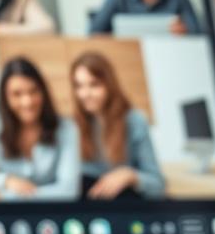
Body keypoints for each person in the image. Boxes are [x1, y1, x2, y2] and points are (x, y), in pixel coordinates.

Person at [0, 56, 79, 200]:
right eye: (17, 94)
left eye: (33, 91)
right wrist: (6, 180)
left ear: (43, 92)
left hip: (51, 215)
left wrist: (3, 196)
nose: (27, 102)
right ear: (5, 98)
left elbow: (68, 191)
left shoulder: (66, 128)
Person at [70, 51, 165, 200]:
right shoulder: (73, 125)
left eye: (94, 85)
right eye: (79, 86)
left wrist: (130, 176)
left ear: (109, 84)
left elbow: (157, 185)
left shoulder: (134, 121)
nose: (85, 94)